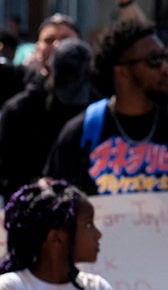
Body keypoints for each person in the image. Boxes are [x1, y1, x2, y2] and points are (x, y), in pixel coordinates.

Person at [43, 18, 168, 271]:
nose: (166, 67)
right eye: (154, 60)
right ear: (121, 70)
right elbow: (55, 201)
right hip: (101, 273)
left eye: (165, 56)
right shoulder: (82, 131)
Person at [0, 39, 97, 200]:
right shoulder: (19, 111)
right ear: (48, 71)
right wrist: (34, 187)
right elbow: (7, 174)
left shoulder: (96, 111)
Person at [0, 178, 111, 290]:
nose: (98, 234)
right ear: (56, 237)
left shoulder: (97, 286)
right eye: (88, 225)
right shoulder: (10, 286)